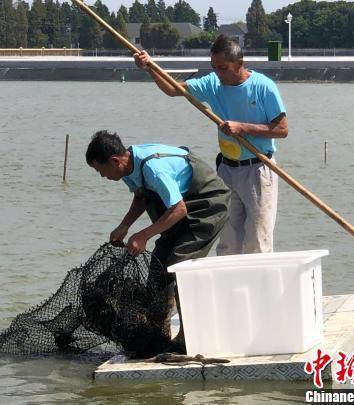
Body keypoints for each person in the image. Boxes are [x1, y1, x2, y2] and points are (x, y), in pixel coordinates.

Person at [134, 34, 288, 255]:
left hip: (259, 167)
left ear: (240, 64)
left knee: (257, 238)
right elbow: (172, 89)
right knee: (227, 238)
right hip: (227, 169)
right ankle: (230, 286)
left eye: (223, 68)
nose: (218, 73)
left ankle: (258, 286)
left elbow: (282, 130)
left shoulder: (263, 87)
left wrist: (242, 127)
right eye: (214, 67)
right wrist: (150, 67)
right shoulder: (212, 84)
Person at [86, 130, 230, 351]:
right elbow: (142, 196)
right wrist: (125, 226)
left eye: (100, 170)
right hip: (179, 207)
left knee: (179, 267)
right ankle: (159, 332)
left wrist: (143, 235)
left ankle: (189, 336)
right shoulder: (128, 166)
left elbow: (178, 209)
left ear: (114, 161)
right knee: (158, 266)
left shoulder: (153, 168)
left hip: (206, 206)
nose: (102, 176)